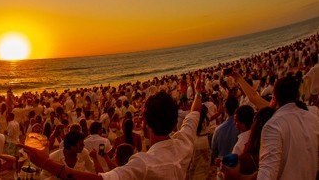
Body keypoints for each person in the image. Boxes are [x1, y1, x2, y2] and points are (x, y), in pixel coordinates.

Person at [20, 77, 204, 180]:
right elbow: (194, 112)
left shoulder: (144, 163)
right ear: (174, 124)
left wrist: (45, 163)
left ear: (144, 124)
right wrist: (197, 91)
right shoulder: (184, 142)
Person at [257, 75, 319, 179]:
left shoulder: (273, 126)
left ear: (274, 98)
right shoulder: (313, 119)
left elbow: (267, 173)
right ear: (297, 96)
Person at [211, 96, 239, 163]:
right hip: (237, 166)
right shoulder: (243, 128)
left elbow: (214, 152)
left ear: (225, 109)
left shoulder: (218, 130)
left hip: (223, 165)